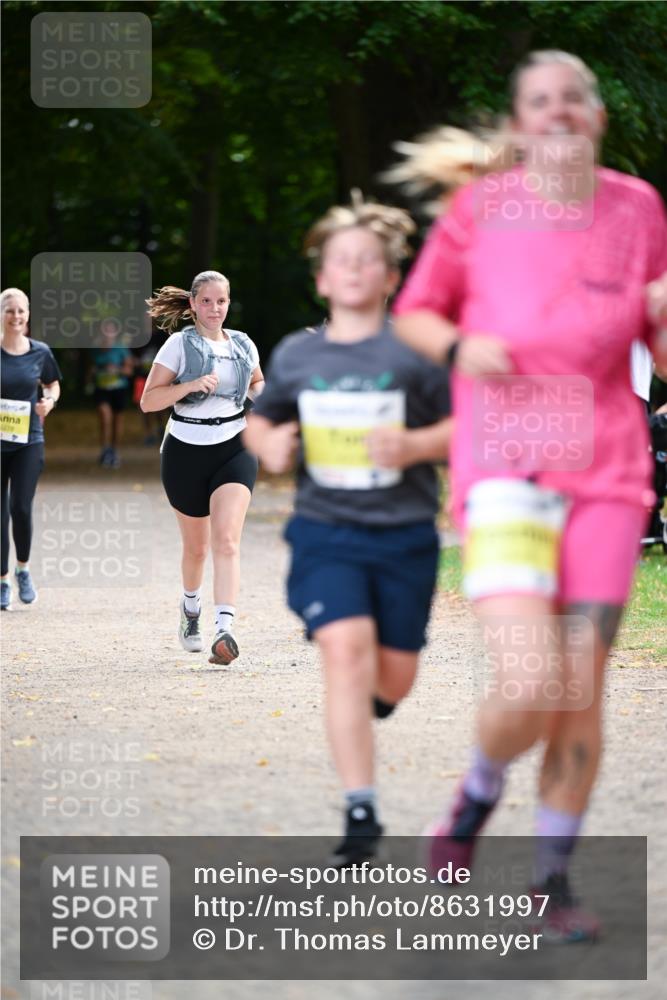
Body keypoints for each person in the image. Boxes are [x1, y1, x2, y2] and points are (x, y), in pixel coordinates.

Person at [392, 50, 667, 940]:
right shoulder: (478, 211)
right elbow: (417, 310)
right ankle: (475, 795)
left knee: (578, 680)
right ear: (517, 126)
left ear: (596, 118)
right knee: (530, 676)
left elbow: (659, 351)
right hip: (507, 461)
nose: (555, 113)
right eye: (536, 101)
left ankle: (551, 878)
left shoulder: (640, 209)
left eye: (571, 100)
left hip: (608, 473)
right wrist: (452, 349)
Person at [244, 196, 452, 866]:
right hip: (326, 532)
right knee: (344, 650)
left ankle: (375, 701)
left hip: (405, 537)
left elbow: (466, 429)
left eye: (370, 259)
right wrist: (268, 445)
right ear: (322, 279)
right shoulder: (298, 353)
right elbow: (263, 418)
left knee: (393, 679)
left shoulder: (417, 352)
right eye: (342, 260)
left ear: (391, 277)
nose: (355, 269)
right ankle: (360, 810)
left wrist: (414, 446)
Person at [141, 270, 264, 664]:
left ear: (230, 303)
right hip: (185, 450)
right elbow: (149, 401)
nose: (214, 308)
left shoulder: (244, 344)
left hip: (235, 445)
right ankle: (191, 608)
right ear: (193, 304)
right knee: (197, 548)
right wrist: (189, 386)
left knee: (226, 540)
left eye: (221, 301)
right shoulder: (178, 345)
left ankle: (224, 629)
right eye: (206, 301)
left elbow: (256, 385)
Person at [1, 287, 62, 610]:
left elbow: (52, 384)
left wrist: (49, 401)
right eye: (9, 310)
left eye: (21, 310)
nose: (16, 316)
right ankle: (1, 580)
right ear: (1, 315)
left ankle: (23, 569)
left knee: (20, 508)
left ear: (28, 315)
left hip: (28, 440)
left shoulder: (40, 352)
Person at [91, 318, 134, 468]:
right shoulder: (96, 348)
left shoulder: (121, 348)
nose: (108, 332)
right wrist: (94, 372)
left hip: (119, 388)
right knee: (104, 416)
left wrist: (117, 370)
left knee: (117, 420)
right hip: (102, 388)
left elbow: (129, 370)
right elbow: (90, 368)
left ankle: (114, 451)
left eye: (111, 329)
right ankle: (105, 449)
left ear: (115, 332)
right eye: (105, 329)